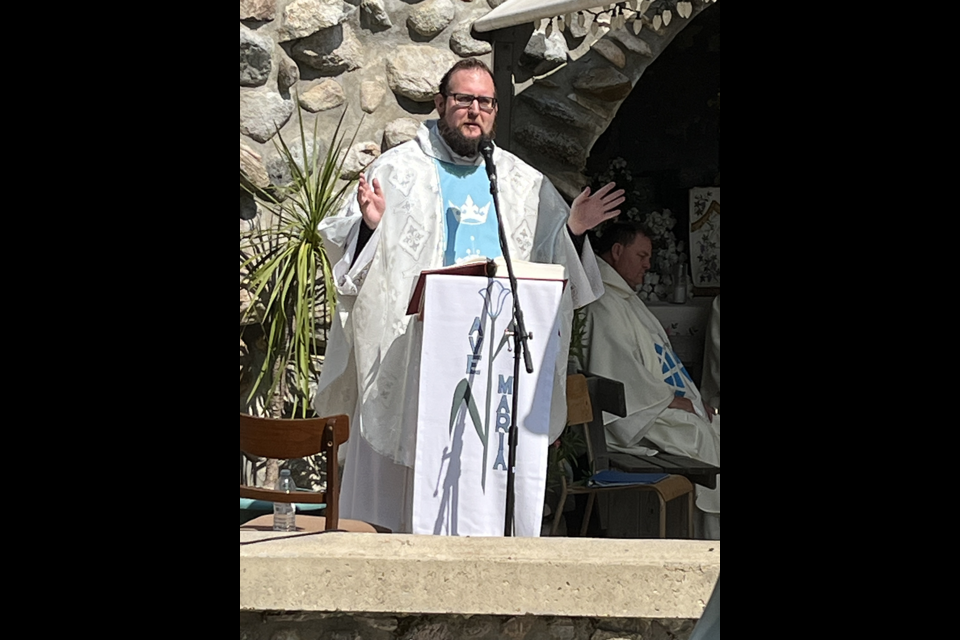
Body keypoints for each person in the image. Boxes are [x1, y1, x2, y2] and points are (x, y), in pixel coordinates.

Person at [313, 59, 624, 533]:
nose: (473, 111)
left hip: (492, 356)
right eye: (463, 100)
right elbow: (346, 249)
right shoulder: (397, 170)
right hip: (415, 354)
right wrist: (371, 228)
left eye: (485, 102)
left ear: (495, 112)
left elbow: (549, 267)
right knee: (406, 478)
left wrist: (573, 231)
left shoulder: (519, 181)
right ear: (440, 104)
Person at [583, 222, 720, 538]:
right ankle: (703, 539)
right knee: (701, 436)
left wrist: (690, 402)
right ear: (617, 252)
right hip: (636, 418)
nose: (648, 264)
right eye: (642, 255)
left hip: (650, 407)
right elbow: (617, 373)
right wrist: (671, 400)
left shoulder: (622, 297)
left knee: (710, 426)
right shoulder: (604, 303)